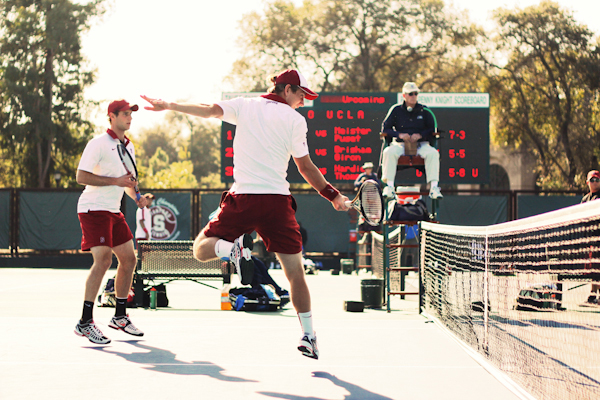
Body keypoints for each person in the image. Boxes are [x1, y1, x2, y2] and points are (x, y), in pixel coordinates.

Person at [141, 68, 349, 360]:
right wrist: (334, 196)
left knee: (201, 250)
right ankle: (308, 336)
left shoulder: (245, 105)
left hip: (244, 198)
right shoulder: (295, 120)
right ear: (287, 89)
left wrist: (170, 105)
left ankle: (231, 249)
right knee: (295, 274)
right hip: (277, 204)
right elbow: (305, 167)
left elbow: (208, 110)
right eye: (301, 94)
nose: (304, 100)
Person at [74, 99, 149, 344]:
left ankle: (119, 317)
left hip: (113, 210)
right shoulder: (98, 144)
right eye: (125, 114)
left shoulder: (129, 147)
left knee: (129, 260)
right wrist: (115, 181)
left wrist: (137, 198)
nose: (129, 118)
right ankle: (85, 322)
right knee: (104, 260)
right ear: (112, 116)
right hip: (92, 209)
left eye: (131, 114)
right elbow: (81, 176)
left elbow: (127, 183)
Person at [380, 82, 442, 199]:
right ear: (404, 95)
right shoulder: (396, 110)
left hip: (420, 144)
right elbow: (385, 128)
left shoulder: (425, 110)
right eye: (410, 94)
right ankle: (389, 187)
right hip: (401, 144)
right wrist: (400, 134)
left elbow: (432, 128)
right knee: (388, 152)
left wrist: (420, 135)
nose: (413, 96)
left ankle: (434, 188)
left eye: (416, 94)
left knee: (433, 153)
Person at [581, 170, 600, 306]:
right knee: (593, 267)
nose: (594, 183)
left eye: (597, 180)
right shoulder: (585, 199)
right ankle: (593, 295)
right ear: (587, 182)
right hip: (590, 239)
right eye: (592, 180)